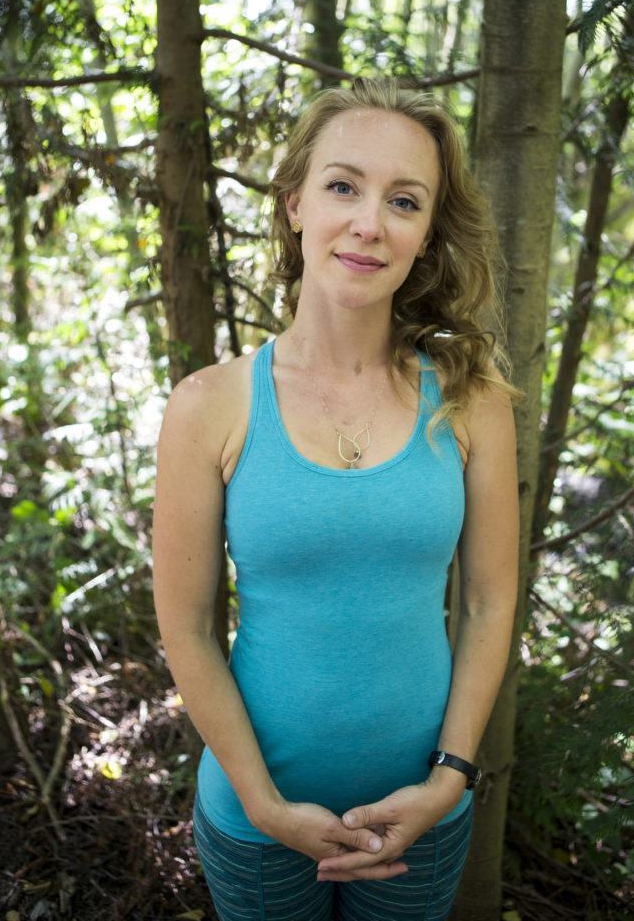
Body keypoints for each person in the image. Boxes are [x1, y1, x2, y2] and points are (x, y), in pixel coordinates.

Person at [151, 77, 522, 921]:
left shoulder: (473, 398)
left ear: (427, 234)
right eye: (343, 186)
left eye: (403, 200)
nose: (368, 223)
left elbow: (492, 600)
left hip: (423, 815)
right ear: (293, 204)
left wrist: (448, 778)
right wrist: (265, 804)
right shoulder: (211, 404)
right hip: (256, 820)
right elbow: (187, 627)